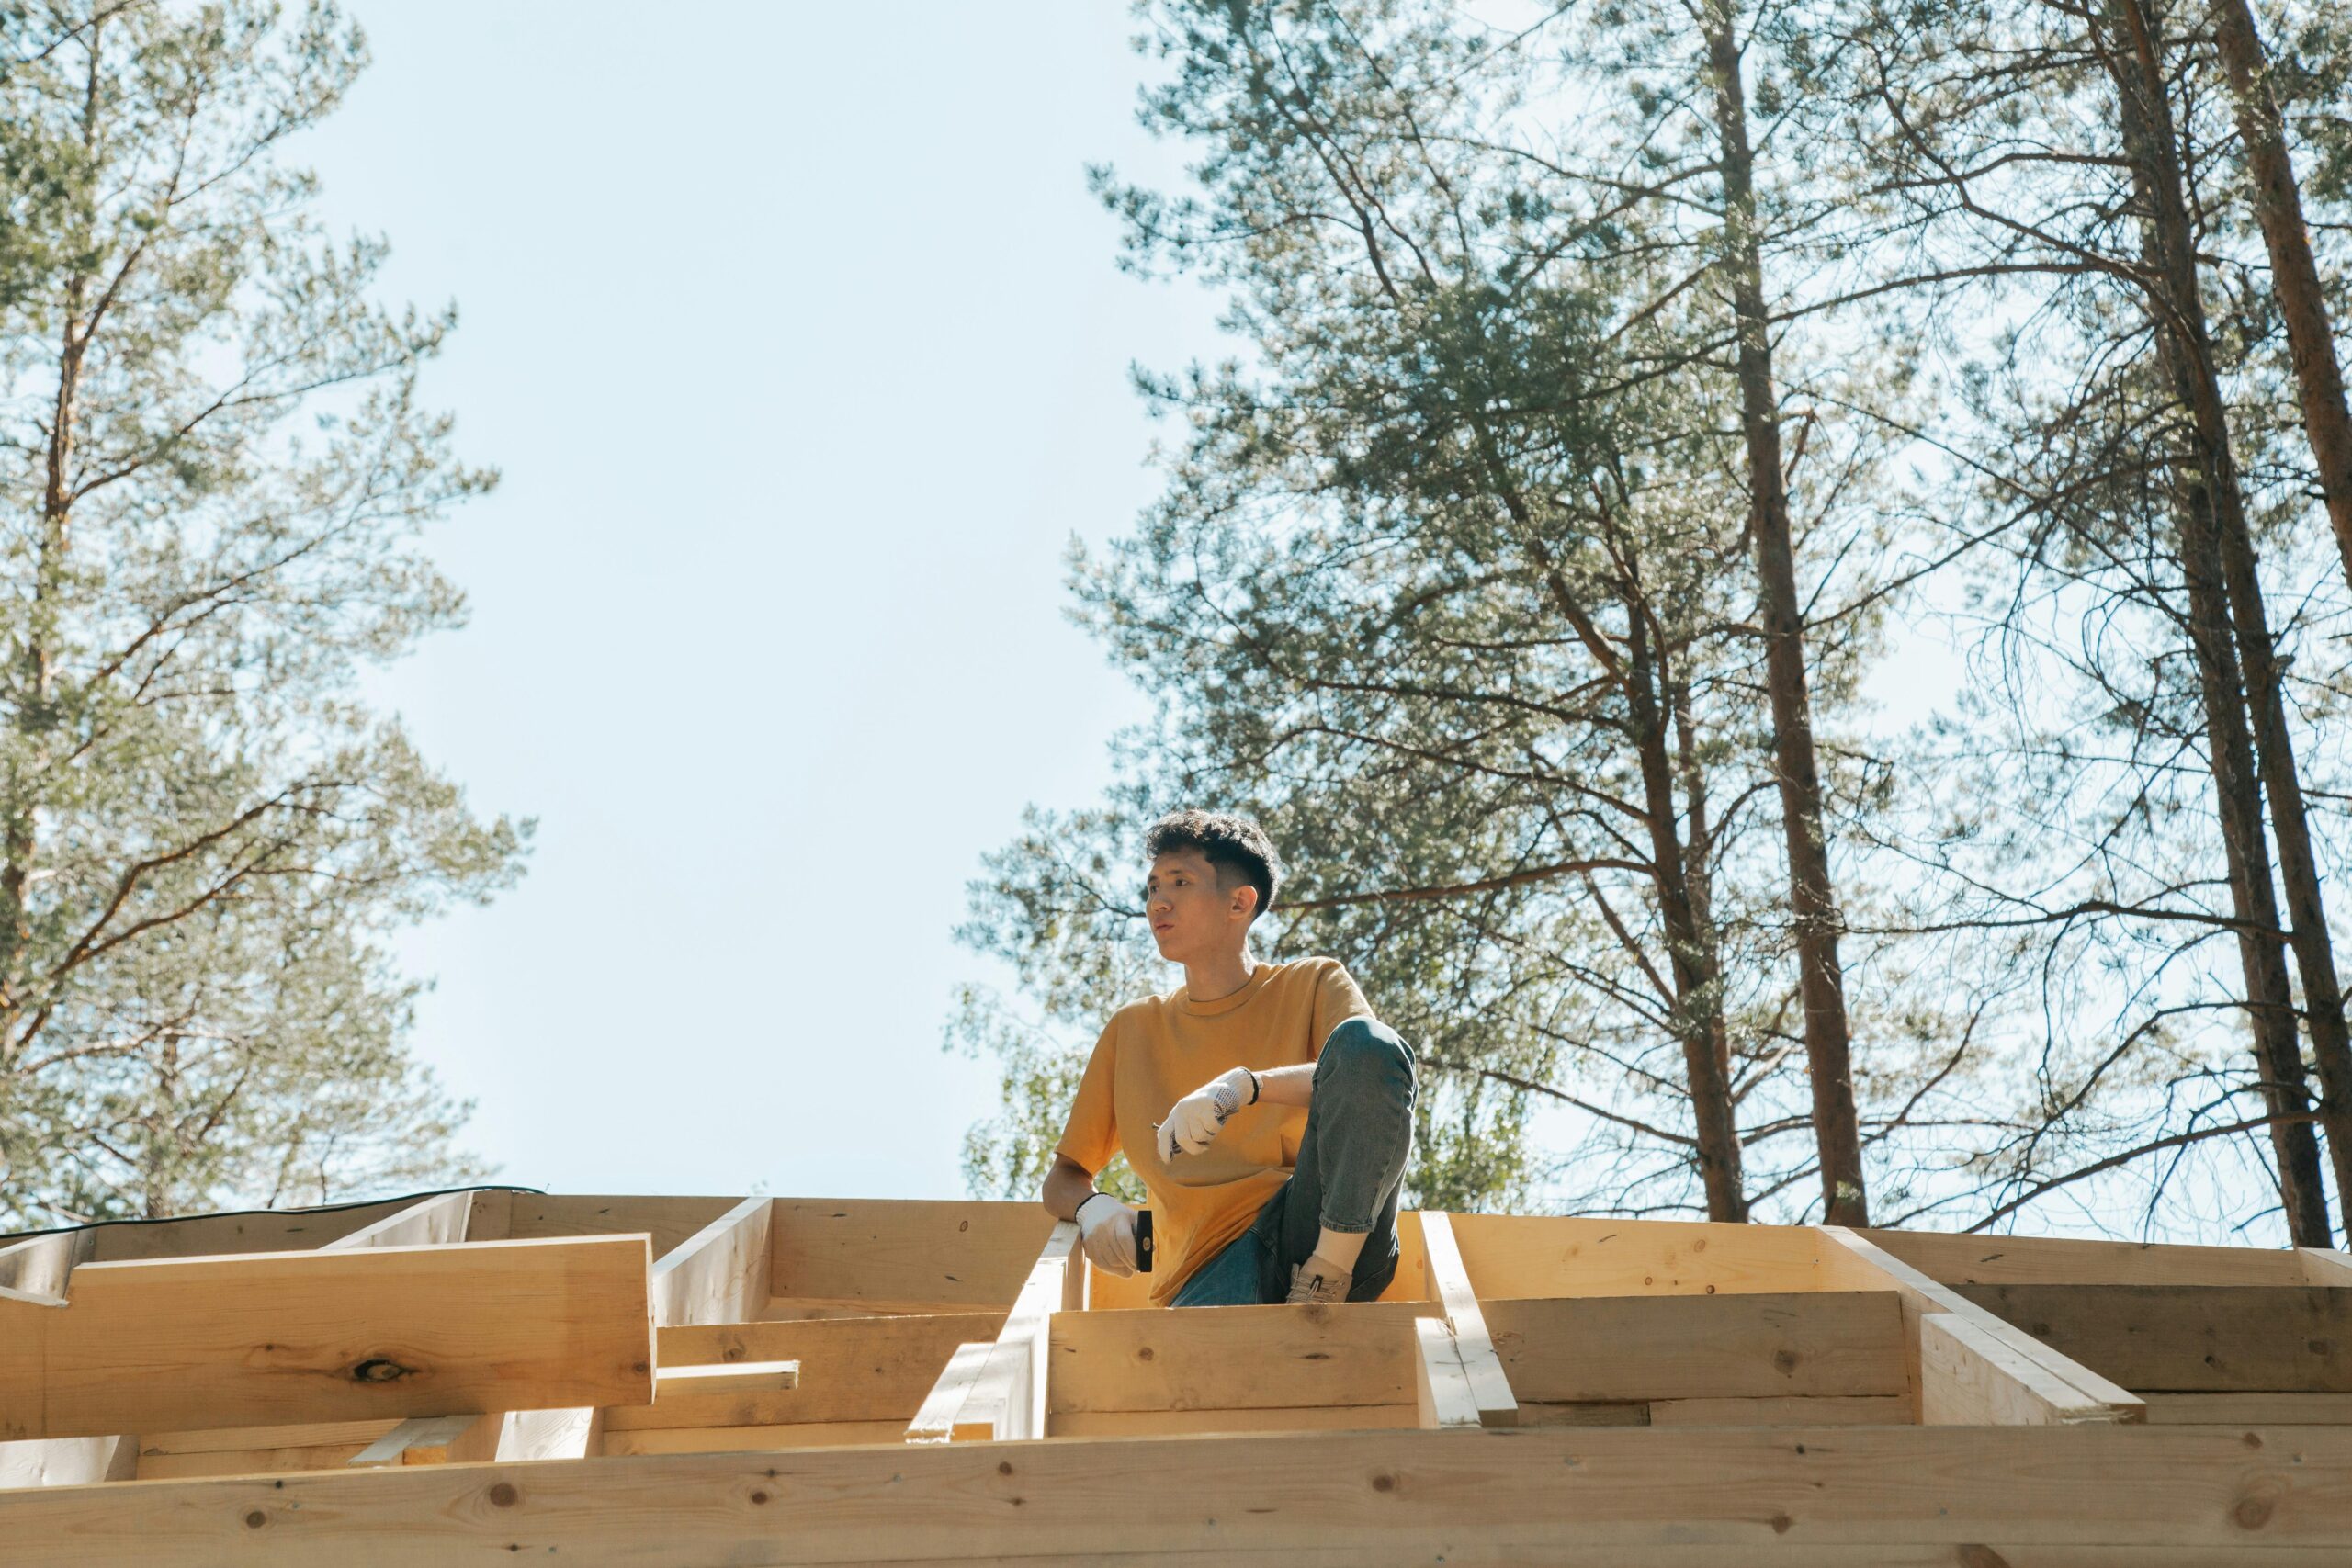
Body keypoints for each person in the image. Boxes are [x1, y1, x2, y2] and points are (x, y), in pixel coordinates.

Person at [1039, 808, 1418, 1306]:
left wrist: (1243, 1086)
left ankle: (1324, 1284)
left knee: (1368, 1040)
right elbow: (1062, 1179)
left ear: (1239, 903)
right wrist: (1093, 1208)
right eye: (1152, 887)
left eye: (1180, 881)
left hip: (1320, 1232)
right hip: (1207, 1273)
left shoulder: (1313, 982)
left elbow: (1372, 1073)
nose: (1159, 901)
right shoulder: (1131, 1029)